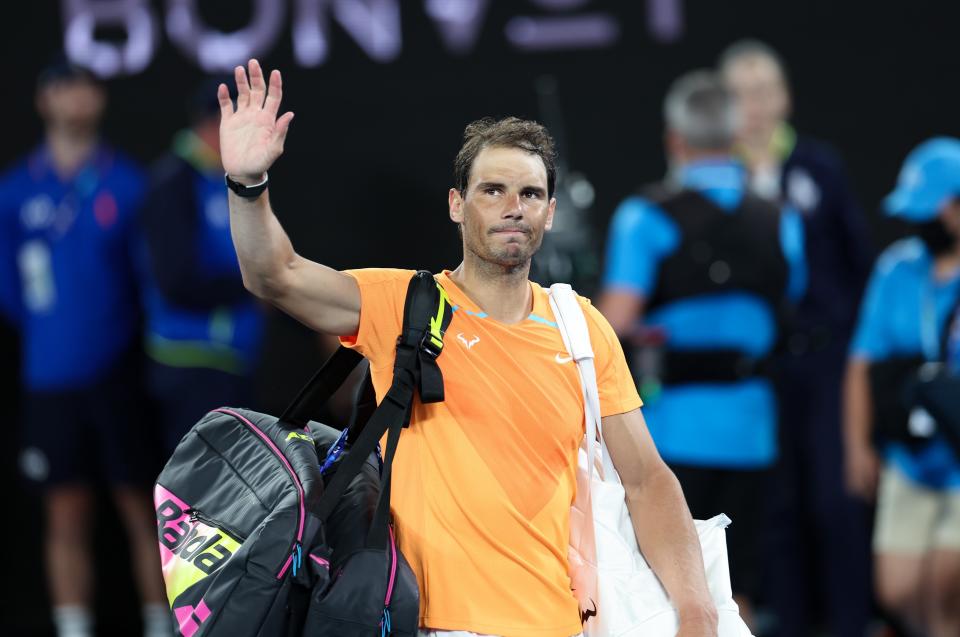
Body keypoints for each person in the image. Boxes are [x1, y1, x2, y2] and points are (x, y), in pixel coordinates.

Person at [218, 58, 719, 637]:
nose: (514, 206)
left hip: (557, 625)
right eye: (493, 190)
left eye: (531, 193)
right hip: (431, 625)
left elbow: (648, 480)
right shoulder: (404, 303)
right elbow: (273, 274)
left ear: (550, 214)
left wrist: (698, 612)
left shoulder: (581, 326)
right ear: (457, 205)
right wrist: (247, 185)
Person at [598, 70, 806, 629]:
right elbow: (789, 305)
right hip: (754, 434)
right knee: (744, 590)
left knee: (672, 590)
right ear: (735, 135)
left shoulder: (645, 218)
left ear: (675, 140)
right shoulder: (781, 219)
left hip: (669, 441)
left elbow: (614, 322)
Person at [0, 61, 169, 637]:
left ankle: (159, 624)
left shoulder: (127, 183)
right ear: (44, 100)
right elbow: (11, 292)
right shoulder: (16, 191)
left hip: (119, 377)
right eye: (64, 86)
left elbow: (149, 282)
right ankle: (73, 629)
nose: (78, 96)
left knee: (142, 510)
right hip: (48, 380)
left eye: (88, 86)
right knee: (64, 512)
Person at [719, 39, 874, 637]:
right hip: (760, 368)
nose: (754, 106)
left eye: (763, 91)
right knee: (774, 505)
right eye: (739, 94)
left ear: (783, 97)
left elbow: (857, 262)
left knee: (834, 502)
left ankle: (850, 624)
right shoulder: (717, 179)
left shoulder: (819, 167)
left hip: (827, 358)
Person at [844, 137, 960, 637]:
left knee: (942, 587)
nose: (919, 223)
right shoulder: (895, 269)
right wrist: (857, 446)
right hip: (910, 456)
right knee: (896, 591)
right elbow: (860, 365)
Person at [138, 79, 265, 455]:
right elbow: (174, 279)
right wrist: (253, 288)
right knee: (199, 495)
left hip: (226, 362)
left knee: (226, 492)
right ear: (218, 123)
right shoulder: (173, 183)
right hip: (190, 362)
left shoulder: (223, 180)